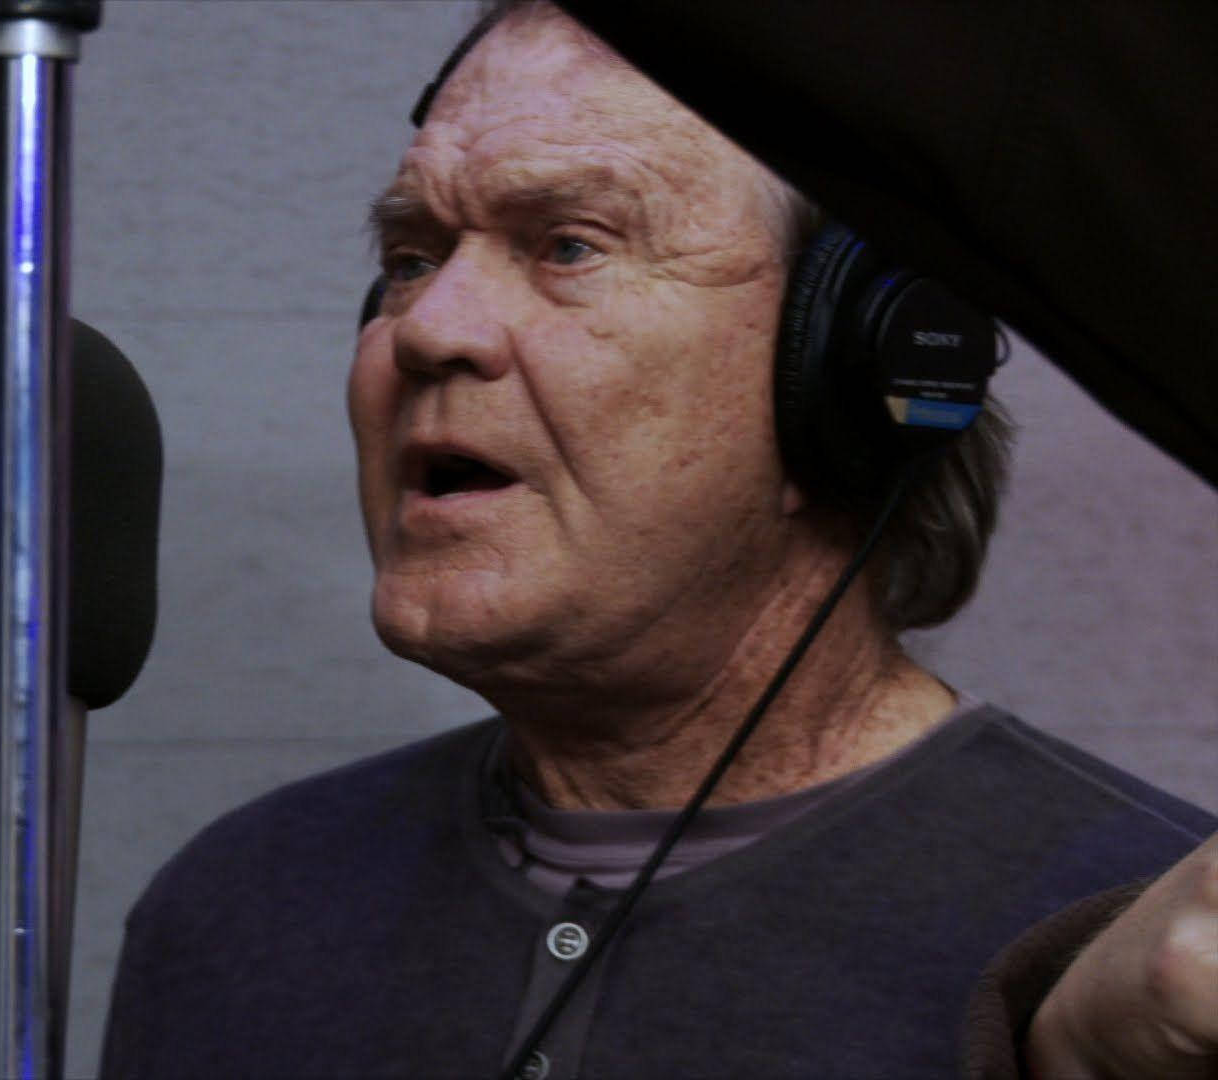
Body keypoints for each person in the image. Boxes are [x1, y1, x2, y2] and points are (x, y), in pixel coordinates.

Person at [99, 3, 1214, 1077]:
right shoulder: (233, 909)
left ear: (843, 375)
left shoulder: (1139, 963)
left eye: (568, 246)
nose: (427, 328)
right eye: (411, 258)